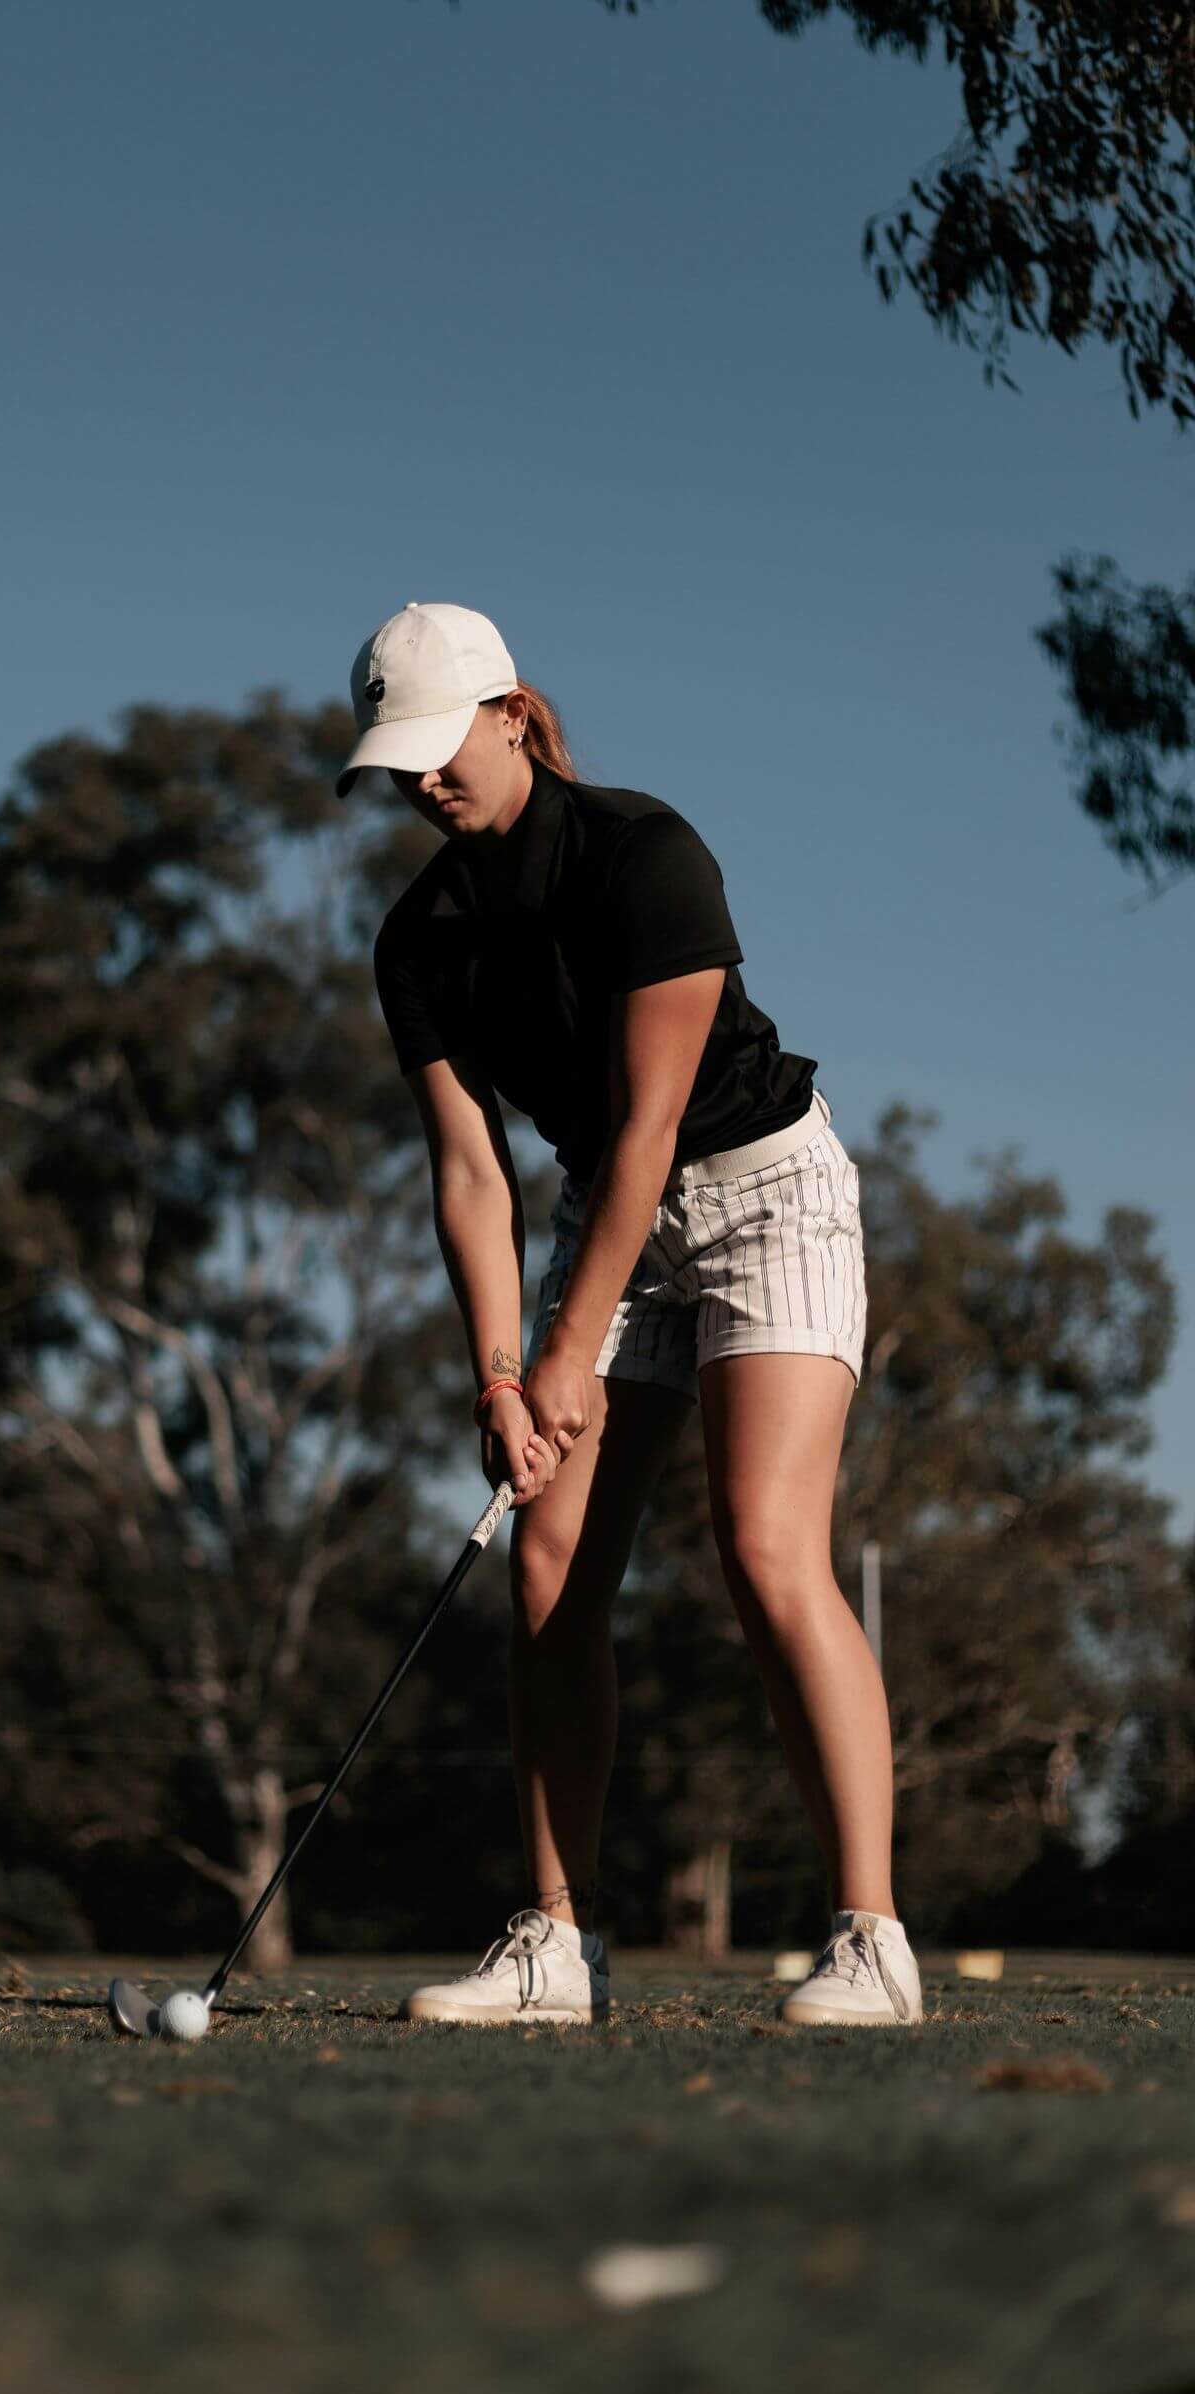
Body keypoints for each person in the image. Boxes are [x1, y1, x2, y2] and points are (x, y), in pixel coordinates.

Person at [337, 600, 921, 2031]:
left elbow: (656, 1126)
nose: (420, 781)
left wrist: (564, 1355)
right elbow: (471, 1173)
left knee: (766, 1545)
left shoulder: (645, 857)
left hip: (763, 1187)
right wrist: (498, 1374)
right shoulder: (421, 940)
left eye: (438, 746)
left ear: (513, 712)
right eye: (393, 761)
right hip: (606, 1206)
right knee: (547, 1565)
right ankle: (554, 1942)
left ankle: (873, 1941)